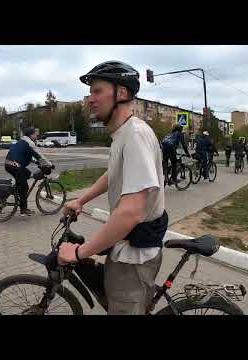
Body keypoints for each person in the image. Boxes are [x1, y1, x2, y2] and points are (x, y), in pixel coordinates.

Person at [58, 61, 167, 315]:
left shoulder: (135, 135)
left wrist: (79, 251)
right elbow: (113, 174)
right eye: (90, 92)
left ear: (121, 93)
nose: (89, 99)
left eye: (97, 91)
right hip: (125, 247)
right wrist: (81, 200)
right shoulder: (124, 133)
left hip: (134, 257)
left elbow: (131, 212)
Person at [4, 127, 52, 216]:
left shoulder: (22, 141)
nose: (37, 136)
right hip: (15, 166)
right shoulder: (30, 143)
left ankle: (17, 192)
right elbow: (39, 155)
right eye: (35, 134)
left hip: (9, 164)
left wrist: (37, 162)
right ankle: (24, 209)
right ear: (31, 135)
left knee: (27, 173)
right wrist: (49, 164)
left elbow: (26, 155)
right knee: (25, 187)